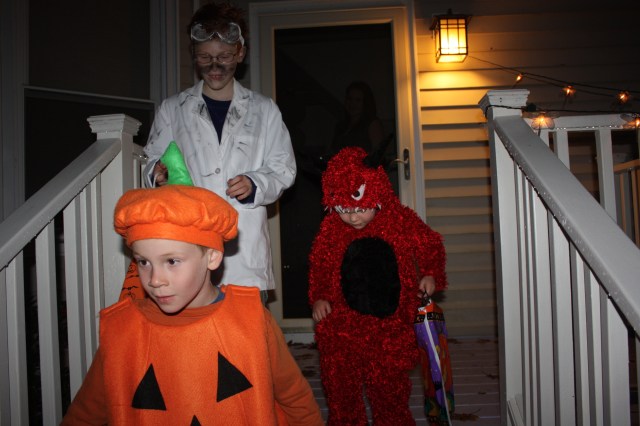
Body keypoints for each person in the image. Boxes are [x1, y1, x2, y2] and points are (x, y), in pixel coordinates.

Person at [62, 185, 323, 424]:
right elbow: (86, 412)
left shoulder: (251, 318)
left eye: (171, 261)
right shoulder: (122, 331)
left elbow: (294, 396)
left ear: (212, 257)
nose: (155, 280)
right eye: (143, 262)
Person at [143, 1, 296, 303]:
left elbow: (283, 168)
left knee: (247, 330)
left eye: (224, 57)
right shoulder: (173, 109)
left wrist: (255, 183)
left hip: (244, 255)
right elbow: (150, 158)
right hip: (189, 246)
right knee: (194, 327)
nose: (215, 67)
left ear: (240, 53)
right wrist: (155, 173)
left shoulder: (264, 110)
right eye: (205, 57)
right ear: (194, 54)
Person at [308, 147, 447, 425]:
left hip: (389, 326)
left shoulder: (399, 220)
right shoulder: (331, 229)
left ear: (377, 193)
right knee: (341, 385)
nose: (353, 217)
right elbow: (319, 264)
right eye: (344, 210)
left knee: (389, 387)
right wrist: (320, 297)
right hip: (342, 325)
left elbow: (429, 243)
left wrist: (430, 274)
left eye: (360, 208)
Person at [331, 81, 387, 158]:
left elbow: (378, 155)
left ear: (365, 103)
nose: (352, 104)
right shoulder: (340, 126)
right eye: (349, 99)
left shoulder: (372, 124)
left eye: (358, 100)